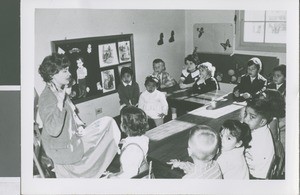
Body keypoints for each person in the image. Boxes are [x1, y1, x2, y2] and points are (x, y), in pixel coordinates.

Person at [38, 53, 121, 178]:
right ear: (52, 74)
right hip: (63, 150)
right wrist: (60, 102)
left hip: (74, 137)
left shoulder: (60, 90)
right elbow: (53, 130)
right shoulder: (47, 98)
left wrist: (80, 126)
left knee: (108, 123)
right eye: (65, 71)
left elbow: (72, 115)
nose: (69, 74)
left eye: (68, 70)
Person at [107, 106, 150, 178]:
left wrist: (112, 177)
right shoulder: (143, 138)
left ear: (124, 126)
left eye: (121, 121)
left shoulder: (131, 151)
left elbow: (130, 175)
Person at [243, 99, 275, 179]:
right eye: (245, 114)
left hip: (255, 177)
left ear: (262, 122)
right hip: (262, 171)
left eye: (252, 117)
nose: (245, 119)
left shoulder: (256, 140)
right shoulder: (263, 129)